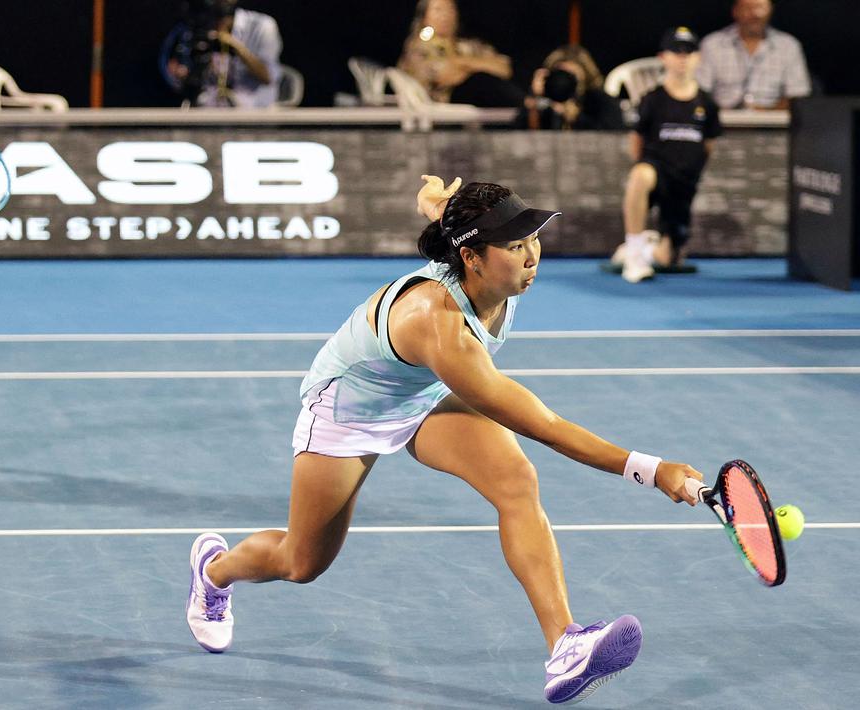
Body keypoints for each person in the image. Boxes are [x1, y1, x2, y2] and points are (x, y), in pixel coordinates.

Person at [184, 174, 706, 705]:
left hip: (423, 393)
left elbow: (453, 224)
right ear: (472, 259)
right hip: (350, 411)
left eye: (532, 239)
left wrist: (439, 205)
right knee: (300, 563)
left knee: (515, 480)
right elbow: (545, 426)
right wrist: (650, 469)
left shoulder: (489, 269)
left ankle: (565, 645)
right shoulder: (437, 323)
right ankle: (214, 573)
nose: (531, 256)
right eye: (514, 247)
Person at [611, 27, 723, 283]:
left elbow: (708, 145)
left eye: (688, 52)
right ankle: (635, 254)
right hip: (655, 170)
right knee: (640, 175)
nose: (682, 58)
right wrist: (644, 167)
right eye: (676, 52)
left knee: (669, 258)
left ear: (698, 57)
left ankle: (647, 248)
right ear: (663, 57)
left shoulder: (707, 103)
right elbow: (637, 141)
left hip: (684, 182)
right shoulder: (652, 99)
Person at [397, 0, 525, 108]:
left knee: (486, 81)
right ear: (424, 16)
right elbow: (444, 76)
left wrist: (460, 63)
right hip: (444, 106)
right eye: (438, 10)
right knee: (479, 81)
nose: (445, 15)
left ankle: (527, 107)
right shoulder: (418, 46)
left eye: (450, 9)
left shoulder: (469, 45)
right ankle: (527, 106)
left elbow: (504, 69)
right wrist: (479, 66)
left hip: (487, 104)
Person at [160, 0, 282, 108]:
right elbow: (175, 75)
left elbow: (268, 77)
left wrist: (236, 48)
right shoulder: (194, 28)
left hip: (254, 113)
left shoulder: (263, 26)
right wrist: (182, 74)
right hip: (209, 112)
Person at [697, 0, 811, 110]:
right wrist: (715, 112)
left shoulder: (788, 46)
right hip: (722, 117)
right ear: (735, 11)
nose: (755, 14)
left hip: (774, 119)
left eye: (761, 7)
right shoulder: (713, 44)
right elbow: (699, 90)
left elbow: (798, 95)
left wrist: (767, 111)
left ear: (771, 10)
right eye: (748, 7)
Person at [519, 45, 624, 131]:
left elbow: (612, 135)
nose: (564, 82)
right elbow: (519, 133)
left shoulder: (600, 101)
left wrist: (576, 118)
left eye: (571, 76)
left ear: (585, 75)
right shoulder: (545, 102)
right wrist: (533, 99)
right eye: (561, 75)